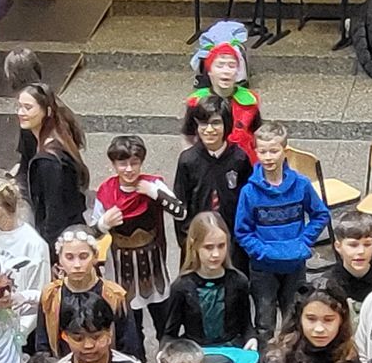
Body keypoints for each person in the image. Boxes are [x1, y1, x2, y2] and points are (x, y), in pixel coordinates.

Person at [236, 123, 329, 340]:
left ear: (284, 152)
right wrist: (262, 251)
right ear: (255, 152)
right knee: (264, 323)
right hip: (263, 269)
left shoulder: (302, 184)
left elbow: (321, 214)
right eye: (262, 151)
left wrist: (304, 241)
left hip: (294, 266)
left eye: (274, 151)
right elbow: (242, 232)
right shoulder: (249, 192)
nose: (268, 157)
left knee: (294, 318)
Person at [96, 134, 176, 334]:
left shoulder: (153, 185)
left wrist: (154, 193)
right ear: (114, 164)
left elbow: (180, 212)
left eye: (134, 163)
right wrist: (103, 223)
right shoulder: (106, 191)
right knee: (130, 330)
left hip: (153, 268)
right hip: (123, 273)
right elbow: (90, 236)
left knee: (165, 325)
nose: (129, 169)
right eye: (123, 163)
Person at [160, 211, 254, 351]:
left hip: (232, 351)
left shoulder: (238, 281)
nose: (215, 254)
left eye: (221, 246)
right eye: (208, 247)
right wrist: (165, 350)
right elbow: (169, 334)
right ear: (195, 246)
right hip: (197, 355)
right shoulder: (181, 287)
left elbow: (246, 325)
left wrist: (251, 339)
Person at [16, 82, 91, 250]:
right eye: (19, 106)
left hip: (64, 237)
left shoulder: (48, 162)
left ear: (47, 112)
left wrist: (49, 253)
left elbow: (54, 214)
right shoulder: (37, 133)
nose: (21, 113)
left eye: (28, 108)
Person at [173, 93, 254, 248]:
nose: (209, 130)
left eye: (216, 123)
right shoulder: (188, 160)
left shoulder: (239, 159)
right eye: (203, 124)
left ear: (227, 125)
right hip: (198, 242)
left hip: (233, 241)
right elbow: (181, 205)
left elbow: (247, 201)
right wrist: (187, 242)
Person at [40, 224, 134, 356]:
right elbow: (43, 346)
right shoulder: (51, 295)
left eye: (83, 256)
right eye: (69, 257)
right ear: (60, 259)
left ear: (95, 256)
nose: (77, 265)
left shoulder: (114, 296)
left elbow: (129, 345)